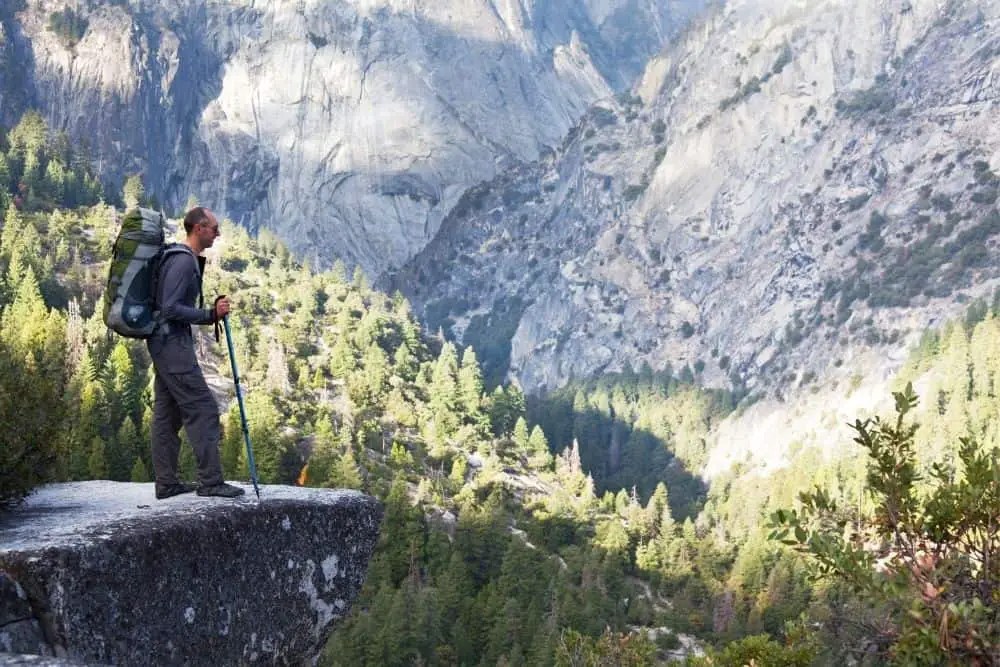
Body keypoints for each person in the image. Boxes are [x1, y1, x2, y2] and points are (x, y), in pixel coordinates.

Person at [148, 206, 245, 499]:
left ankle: (167, 484)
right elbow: (170, 307)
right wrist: (209, 314)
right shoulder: (183, 262)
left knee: (167, 414)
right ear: (199, 228)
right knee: (203, 409)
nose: (218, 234)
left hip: (163, 343)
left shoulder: (179, 257)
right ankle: (211, 482)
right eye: (214, 228)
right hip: (172, 346)